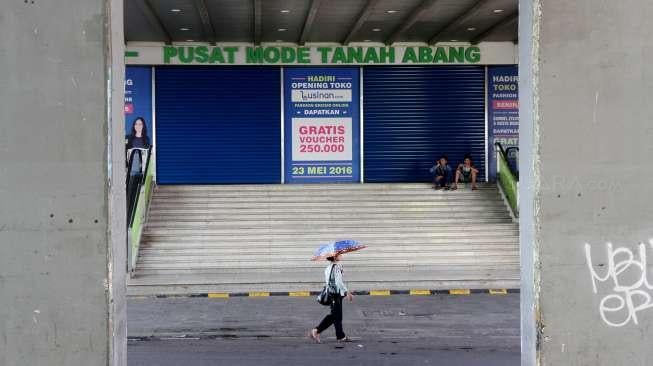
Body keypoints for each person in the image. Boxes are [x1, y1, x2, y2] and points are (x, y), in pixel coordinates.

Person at [309, 254, 353, 344]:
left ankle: (340, 336)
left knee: (337, 316)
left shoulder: (328, 267)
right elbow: (338, 282)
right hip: (336, 294)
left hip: (332, 293)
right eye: (339, 254)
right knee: (334, 316)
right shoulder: (336, 267)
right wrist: (346, 292)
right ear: (335, 257)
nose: (341, 255)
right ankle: (316, 330)